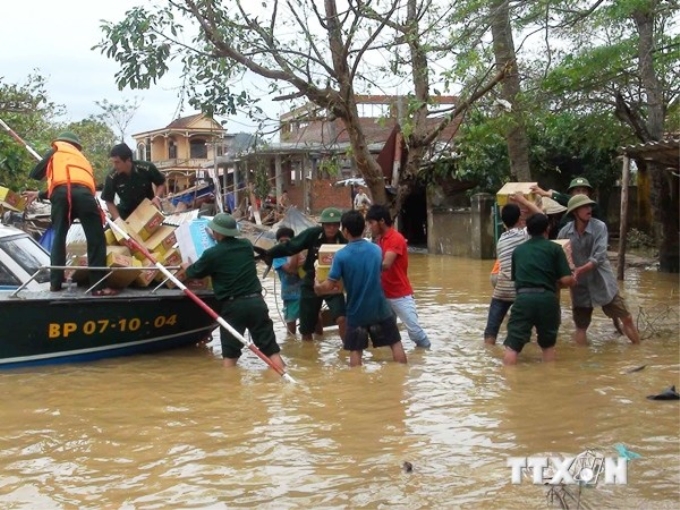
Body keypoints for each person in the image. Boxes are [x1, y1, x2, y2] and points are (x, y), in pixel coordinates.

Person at [183, 213, 285, 369]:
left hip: (233, 306)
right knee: (271, 350)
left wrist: (186, 268)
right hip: (257, 303)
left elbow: (193, 272)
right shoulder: (246, 246)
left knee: (230, 356)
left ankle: (230, 389)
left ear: (217, 233)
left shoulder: (212, 254)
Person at [23, 132, 116, 295]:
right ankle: (98, 287)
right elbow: (75, 184)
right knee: (96, 239)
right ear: (77, 146)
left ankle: (55, 283)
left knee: (59, 235)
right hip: (85, 196)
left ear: (61, 142)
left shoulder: (56, 151)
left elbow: (38, 175)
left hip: (61, 195)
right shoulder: (83, 159)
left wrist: (47, 166)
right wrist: (40, 193)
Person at [314, 210, 407, 367]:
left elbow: (329, 286)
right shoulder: (376, 250)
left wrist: (317, 286)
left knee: (356, 351)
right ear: (364, 229)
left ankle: (357, 386)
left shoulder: (341, 256)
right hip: (380, 308)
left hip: (357, 311)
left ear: (345, 231)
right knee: (395, 344)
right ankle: (403, 378)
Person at [557, 195, 641, 345]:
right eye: (584, 207)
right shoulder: (564, 232)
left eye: (589, 206)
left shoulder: (599, 227)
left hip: (602, 282)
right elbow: (560, 255)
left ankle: (638, 350)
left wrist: (578, 271)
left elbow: (599, 256)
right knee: (581, 326)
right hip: (580, 286)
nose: (589, 209)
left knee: (626, 318)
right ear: (575, 212)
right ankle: (581, 362)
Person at [503, 213, 576, 365]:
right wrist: (573, 277)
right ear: (547, 228)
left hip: (523, 300)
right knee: (548, 346)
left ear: (528, 230)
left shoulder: (518, 251)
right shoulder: (555, 249)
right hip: (547, 300)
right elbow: (566, 280)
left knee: (512, 347)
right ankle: (549, 383)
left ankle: (508, 384)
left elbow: (517, 279)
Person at [266, 207, 347, 342]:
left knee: (342, 318)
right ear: (322, 225)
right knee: (306, 327)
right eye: (328, 225)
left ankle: (348, 350)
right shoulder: (313, 234)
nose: (331, 228)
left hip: (334, 284)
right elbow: (291, 246)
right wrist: (269, 253)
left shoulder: (344, 239)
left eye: (335, 225)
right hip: (311, 282)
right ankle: (308, 355)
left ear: (339, 225)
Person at [365, 204, 431, 348]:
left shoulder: (395, 238)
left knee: (414, 332)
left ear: (381, 221)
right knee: (385, 334)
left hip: (400, 294)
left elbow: (386, 264)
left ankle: (427, 352)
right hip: (384, 294)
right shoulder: (380, 239)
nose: (370, 227)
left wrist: (363, 268)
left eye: (371, 223)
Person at [483, 193, 541, 345]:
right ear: (520, 218)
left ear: (503, 221)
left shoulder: (501, 240)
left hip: (500, 290)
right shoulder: (524, 235)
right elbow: (541, 217)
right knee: (528, 333)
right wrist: (524, 201)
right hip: (519, 291)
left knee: (490, 334)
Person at [101, 143, 166, 220]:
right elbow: (108, 200)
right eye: (113, 162)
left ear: (128, 160)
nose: (114, 166)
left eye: (117, 162)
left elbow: (161, 183)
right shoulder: (112, 177)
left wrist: (157, 197)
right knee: (106, 231)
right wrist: (118, 220)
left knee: (166, 231)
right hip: (126, 213)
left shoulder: (146, 168)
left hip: (148, 210)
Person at [531, 176, 605, 229]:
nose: (581, 194)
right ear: (571, 194)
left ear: (589, 194)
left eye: (584, 191)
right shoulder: (566, 217)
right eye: (578, 191)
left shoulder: (594, 207)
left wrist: (548, 194)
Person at [273, 227, 303, 336]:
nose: (284, 244)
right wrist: (296, 252)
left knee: (315, 318)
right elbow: (291, 270)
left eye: (287, 241)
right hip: (290, 295)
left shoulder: (301, 252)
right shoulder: (277, 257)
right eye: (281, 241)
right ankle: (291, 344)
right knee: (291, 322)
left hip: (306, 292)